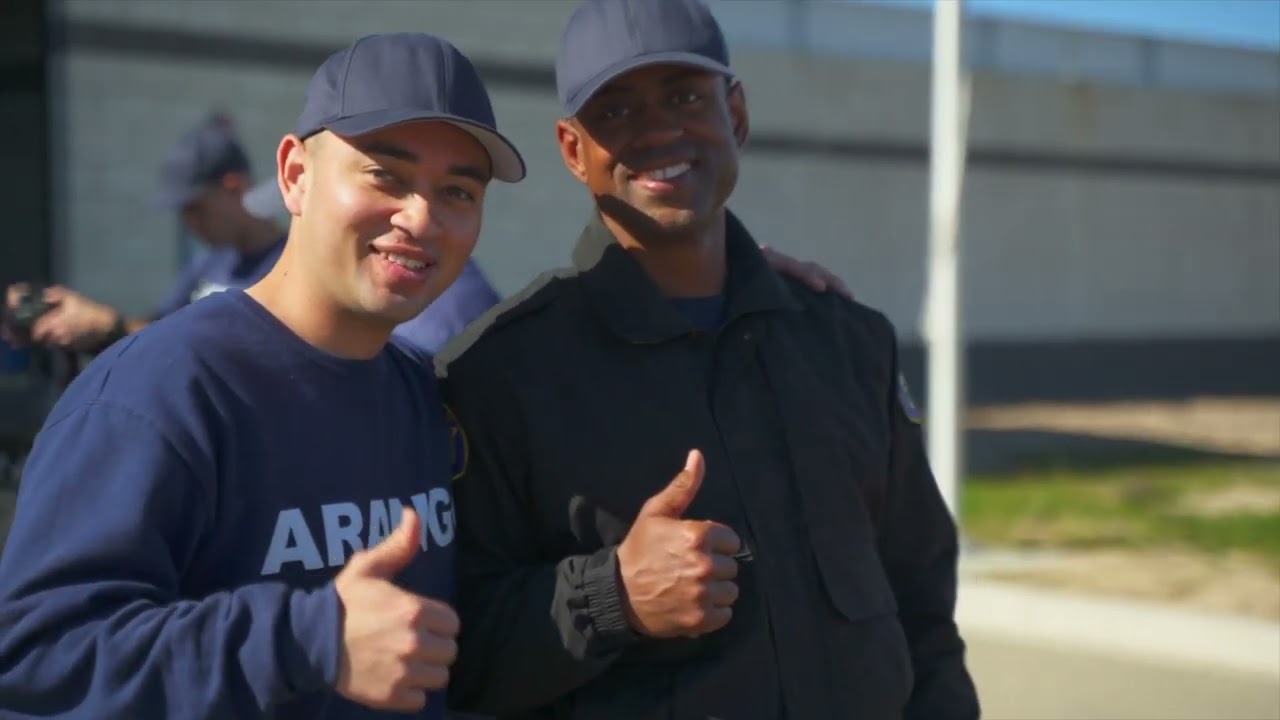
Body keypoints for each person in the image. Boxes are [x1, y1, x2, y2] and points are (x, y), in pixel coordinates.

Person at [437, 1, 980, 718]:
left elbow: (923, 607)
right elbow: (460, 658)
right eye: (619, 110)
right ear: (573, 150)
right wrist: (612, 597)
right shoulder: (499, 377)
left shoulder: (849, 345)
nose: (660, 129)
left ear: (738, 115)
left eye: (686, 98)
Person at [0, 32, 528, 719]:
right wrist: (307, 640)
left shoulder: (422, 395)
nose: (420, 217)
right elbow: (34, 658)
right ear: (294, 175)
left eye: (457, 190)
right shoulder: (163, 392)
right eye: (385, 176)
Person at [2, 115, 286, 355]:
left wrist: (109, 326)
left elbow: (235, 354)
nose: (190, 223)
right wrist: (85, 326)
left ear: (233, 187)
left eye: (195, 208)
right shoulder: (210, 263)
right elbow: (159, 332)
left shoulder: (288, 267)